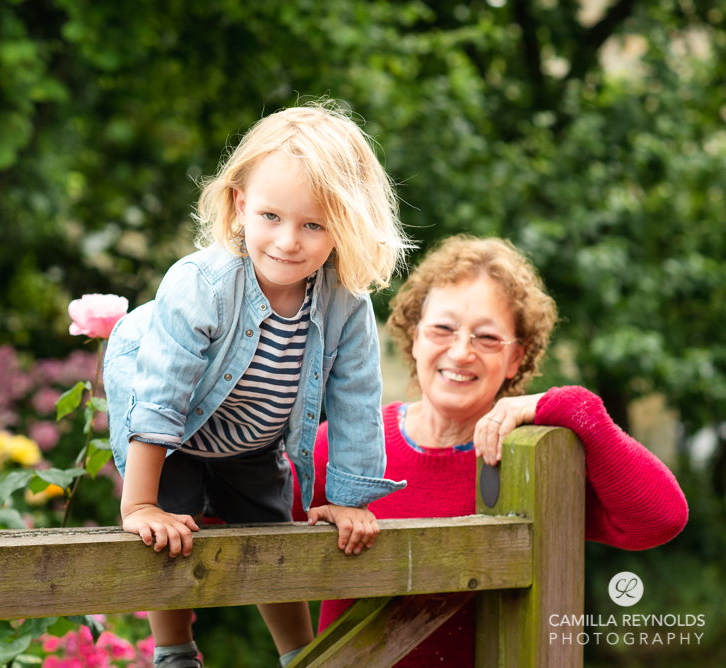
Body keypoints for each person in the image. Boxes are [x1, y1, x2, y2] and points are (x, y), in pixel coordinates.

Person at [104, 103, 413, 668]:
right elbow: (160, 397)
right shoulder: (203, 284)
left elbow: (356, 402)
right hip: (171, 422)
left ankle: (300, 654)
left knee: (272, 528)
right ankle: (173, 649)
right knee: (167, 524)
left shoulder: (346, 304)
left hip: (252, 435)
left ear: (344, 225)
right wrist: (140, 505)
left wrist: (347, 503)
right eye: (271, 216)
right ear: (240, 204)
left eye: (313, 224)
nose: (288, 241)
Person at [293, 235, 689, 667]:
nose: (461, 353)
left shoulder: (536, 462)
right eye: (443, 329)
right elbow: (226, 523)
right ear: (415, 337)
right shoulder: (344, 448)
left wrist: (575, 407)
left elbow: (660, 519)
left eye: (487, 338)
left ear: (516, 359)